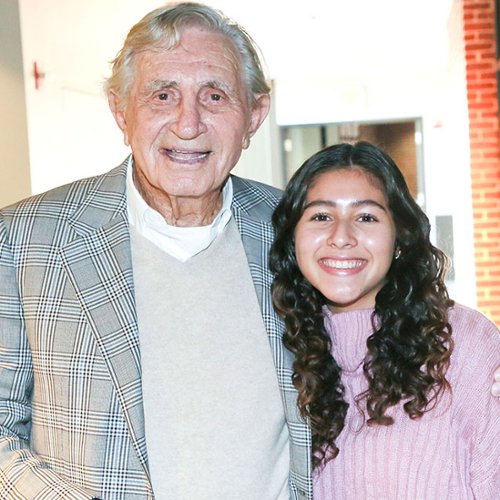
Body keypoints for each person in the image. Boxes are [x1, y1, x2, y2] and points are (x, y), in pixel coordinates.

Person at [0, 4, 311, 499]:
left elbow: (388, 341)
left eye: (215, 95)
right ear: (121, 111)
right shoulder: (23, 240)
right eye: (162, 95)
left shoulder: (299, 231)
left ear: (253, 115)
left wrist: (476, 371)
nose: (188, 124)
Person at [270, 141, 500, 499]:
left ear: (398, 238)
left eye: (366, 217)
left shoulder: (462, 341)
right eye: (320, 216)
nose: (341, 237)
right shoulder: (279, 351)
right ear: (292, 239)